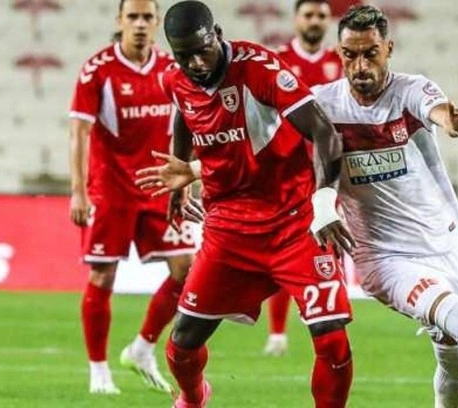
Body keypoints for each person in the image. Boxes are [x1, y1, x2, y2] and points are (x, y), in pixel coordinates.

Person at [311, 6, 458, 407]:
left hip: (443, 243)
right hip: (384, 257)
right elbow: (267, 150)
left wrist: (455, 125)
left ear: (389, 49)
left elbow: (441, 114)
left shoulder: (411, 90)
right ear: (338, 53)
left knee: (455, 358)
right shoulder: (322, 105)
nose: (360, 66)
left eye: (370, 53)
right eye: (350, 55)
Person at [135, 1, 355, 406]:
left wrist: (325, 202)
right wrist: (181, 176)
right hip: (229, 230)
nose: (196, 63)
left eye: (203, 50)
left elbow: (325, 132)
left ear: (217, 34)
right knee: (181, 345)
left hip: (295, 222)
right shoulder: (175, 80)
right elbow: (184, 111)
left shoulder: (259, 68)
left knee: (332, 341)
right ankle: (193, 398)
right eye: (184, 56)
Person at [68, 0, 196, 395]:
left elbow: (188, 126)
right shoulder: (97, 70)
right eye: (133, 17)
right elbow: (79, 133)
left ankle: (142, 348)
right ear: (120, 21)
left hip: (158, 186)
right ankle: (98, 371)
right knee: (103, 275)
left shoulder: (172, 69)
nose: (140, 25)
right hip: (110, 190)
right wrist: (78, 191)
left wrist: (185, 182)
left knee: (186, 270)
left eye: (147, 18)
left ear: (157, 23)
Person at [266, 0, 344, 357]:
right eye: (309, 14)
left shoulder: (340, 62)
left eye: (321, 16)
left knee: (329, 241)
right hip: (284, 172)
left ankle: (327, 315)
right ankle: (277, 331)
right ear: (296, 19)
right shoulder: (277, 61)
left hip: (328, 171)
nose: (315, 21)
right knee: (285, 247)